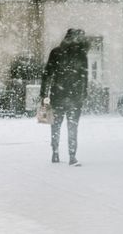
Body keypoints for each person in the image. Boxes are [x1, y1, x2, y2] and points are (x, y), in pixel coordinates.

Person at [39, 29, 90, 166]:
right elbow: (84, 77)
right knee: (72, 126)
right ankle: (72, 156)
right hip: (74, 97)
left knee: (56, 126)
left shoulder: (56, 52)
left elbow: (47, 74)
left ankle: (55, 152)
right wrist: (84, 94)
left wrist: (44, 94)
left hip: (58, 95)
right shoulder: (81, 55)